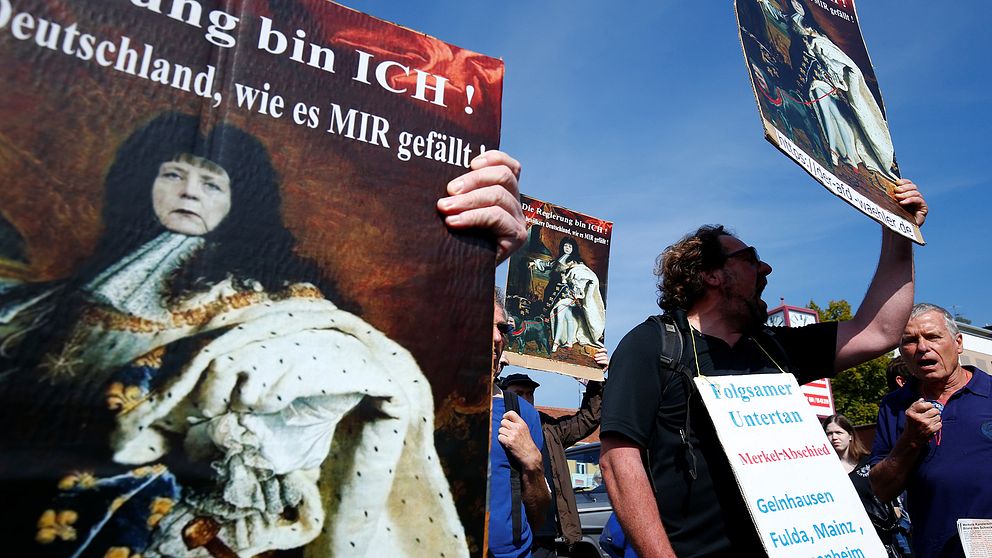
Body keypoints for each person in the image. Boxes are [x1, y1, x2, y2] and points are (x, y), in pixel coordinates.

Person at [0, 113, 527, 557]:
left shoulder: (272, 298)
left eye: (211, 183)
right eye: (172, 175)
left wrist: (468, 262)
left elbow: (347, 366)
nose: (189, 192)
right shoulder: (54, 294)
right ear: (141, 182)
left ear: (238, 202)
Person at [598, 179, 927, 557]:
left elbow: (880, 330)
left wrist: (898, 227)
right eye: (751, 258)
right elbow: (618, 462)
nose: (766, 267)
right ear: (711, 274)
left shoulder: (775, 347)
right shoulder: (653, 345)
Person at [870, 303, 992, 558]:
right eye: (910, 341)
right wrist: (911, 440)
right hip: (932, 550)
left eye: (933, 337)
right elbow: (881, 489)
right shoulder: (894, 406)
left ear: (958, 343)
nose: (923, 348)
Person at [501, 349, 609, 558]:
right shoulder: (496, 423)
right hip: (510, 532)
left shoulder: (547, 427)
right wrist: (493, 369)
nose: (525, 398)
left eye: (529, 393)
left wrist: (595, 378)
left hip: (545, 534)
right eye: (518, 393)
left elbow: (587, 419)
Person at [490, 291, 552, 558]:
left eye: (502, 329)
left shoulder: (523, 414)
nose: (496, 338)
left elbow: (536, 517)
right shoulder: (424, 400)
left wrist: (533, 464)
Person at [823, 414, 906, 556]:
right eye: (829, 434)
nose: (834, 437)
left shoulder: (869, 462)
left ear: (850, 435)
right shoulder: (826, 469)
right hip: (850, 533)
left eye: (838, 432)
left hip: (882, 532)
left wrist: (895, 505)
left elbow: (887, 484)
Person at [529, 238, 606, 353]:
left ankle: (556, 342)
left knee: (560, 315)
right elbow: (549, 264)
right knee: (568, 317)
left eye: (570, 247)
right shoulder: (560, 258)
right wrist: (535, 263)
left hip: (566, 293)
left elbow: (581, 273)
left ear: (573, 248)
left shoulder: (576, 262)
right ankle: (569, 341)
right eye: (565, 246)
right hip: (553, 288)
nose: (567, 248)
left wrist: (571, 281)